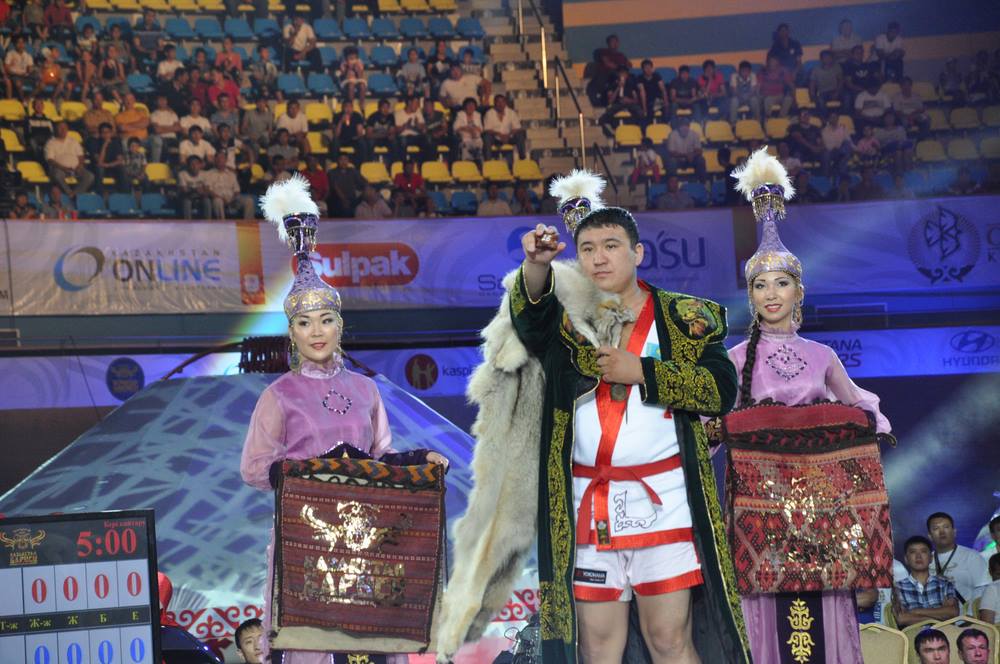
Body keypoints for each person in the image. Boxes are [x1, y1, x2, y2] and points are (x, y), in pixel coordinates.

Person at [435, 169, 749, 664]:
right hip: (586, 503)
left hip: (665, 498)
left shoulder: (685, 316)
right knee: (598, 648)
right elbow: (530, 320)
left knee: (669, 640)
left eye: (611, 246)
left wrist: (643, 372)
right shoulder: (565, 319)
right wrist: (535, 266)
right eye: (587, 249)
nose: (599, 258)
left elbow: (721, 390)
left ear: (638, 252)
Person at [243, 176, 446, 664]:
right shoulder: (279, 395)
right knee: (315, 651)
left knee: (372, 647)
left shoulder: (365, 389)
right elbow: (254, 469)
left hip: (368, 544)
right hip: (308, 546)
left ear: (340, 325)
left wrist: (420, 458)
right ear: (292, 333)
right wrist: (314, 472)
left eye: (326, 320)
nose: (317, 331)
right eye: (304, 323)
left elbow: (381, 456)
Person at [727, 149, 894, 662]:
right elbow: (714, 424)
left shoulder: (822, 355)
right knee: (766, 608)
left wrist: (872, 425)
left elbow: (860, 406)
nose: (771, 293)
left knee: (824, 603)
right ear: (751, 295)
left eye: (781, 283)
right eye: (760, 285)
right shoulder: (736, 357)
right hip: (760, 512)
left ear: (799, 290)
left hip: (823, 511)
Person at [927, 511, 992, 613]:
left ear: (954, 532)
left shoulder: (972, 557)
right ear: (930, 536)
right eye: (936, 528)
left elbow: (984, 590)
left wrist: (970, 616)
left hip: (966, 619)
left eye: (946, 527)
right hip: (935, 619)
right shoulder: (925, 561)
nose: (942, 532)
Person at [894, 534, 960, 626]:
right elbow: (902, 619)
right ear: (906, 559)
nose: (918, 556)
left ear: (931, 558)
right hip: (913, 634)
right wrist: (940, 616)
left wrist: (915, 611)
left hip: (945, 633)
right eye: (913, 552)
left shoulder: (945, 583)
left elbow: (953, 612)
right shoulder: (898, 587)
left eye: (923, 551)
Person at [45, 121, 95, 199]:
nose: (63, 130)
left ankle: (75, 194)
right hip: (60, 169)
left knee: (89, 176)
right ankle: (69, 193)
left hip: (76, 168)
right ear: (55, 129)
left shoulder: (73, 141)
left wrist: (80, 166)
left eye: (65, 128)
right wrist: (63, 168)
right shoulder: (50, 143)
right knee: (57, 175)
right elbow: (50, 160)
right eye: (60, 128)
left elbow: (81, 156)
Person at [204, 152, 254, 220]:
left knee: (249, 201)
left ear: (226, 160)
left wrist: (231, 199)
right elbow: (207, 190)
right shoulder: (209, 174)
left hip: (233, 199)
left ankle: (248, 224)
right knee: (218, 202)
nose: (220, 160)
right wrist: (220, 198)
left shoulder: (231, 174)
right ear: (215, 160)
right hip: (218, 198)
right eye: (218, 158)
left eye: (222, 158)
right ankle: (222, 224)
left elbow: (237, 190)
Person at [483, 94, 526, 160]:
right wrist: (499, 134)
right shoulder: (489, 113)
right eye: (498, 102)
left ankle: (523, 158)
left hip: (509, 137)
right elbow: (487, 129)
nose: (500, 104)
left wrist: (508, 135)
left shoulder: (511, 113)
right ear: (494, 103)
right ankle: (488, 160)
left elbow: (517, 128)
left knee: (520, 134)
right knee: (487, 137)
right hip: (495, 138)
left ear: (505, 103)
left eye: (502, 102)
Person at [327, 153, 367, 217]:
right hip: (337, 199)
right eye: (341, 160)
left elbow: (363, 183)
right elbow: (334, 187)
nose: (343, 162)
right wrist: (344, 200)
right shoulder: (332, 172)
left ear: (348, 161)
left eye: (345, 159)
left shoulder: (353, 171)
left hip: (352, 199)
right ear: (337, 161)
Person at [332, 99, 367, 163]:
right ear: (342, 108)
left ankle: (362, 163)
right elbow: (336, 134)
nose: (348, 109)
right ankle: (335, 162)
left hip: (353, 139)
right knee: (335, 142)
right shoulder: (337, 116)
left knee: (362, 142)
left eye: (350, 107)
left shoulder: (357, 116)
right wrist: (341, 122)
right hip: (341, 139)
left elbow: (360, 132)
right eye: (346, 107)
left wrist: (357, 137)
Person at [366, 98, 400, 163]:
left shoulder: (391, 117)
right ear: (379, 108)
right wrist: (384, 135)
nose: (385, 110)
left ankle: (393, 164)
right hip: (375, 139)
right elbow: (368, 135)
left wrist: (391, 135)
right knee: (370, 142)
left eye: (387, 107)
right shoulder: (372, 117)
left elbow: (392, 132)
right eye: (383, 107)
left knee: (395, 142)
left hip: (385, 139)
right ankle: (369, 163)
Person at [453, 97, 483, 161]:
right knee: (466, 143)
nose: (471, 107)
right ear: (465, 107)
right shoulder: (460, 114)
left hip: (476, 137)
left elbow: (481, 129)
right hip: (464, 137)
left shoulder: (478, 115)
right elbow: (455, 128)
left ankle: (477, 162)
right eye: (469, 105)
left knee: (478, 142)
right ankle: (466, 162)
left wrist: (474, 129)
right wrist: (467, 128)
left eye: (473, 105)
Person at [979, 553, 1000, 623]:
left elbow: (987, 624)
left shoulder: (992, 588)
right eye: (999, 575)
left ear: (990, 571)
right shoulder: (992, 589)